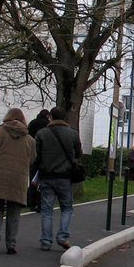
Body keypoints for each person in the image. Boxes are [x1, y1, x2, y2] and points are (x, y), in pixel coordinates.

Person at [0, 108, 35, 254]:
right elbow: (32, 160)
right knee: (14, 210)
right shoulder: (29, 140)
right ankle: (11, 243)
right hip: (18, 177)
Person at [36, 106, 82, 251]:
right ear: (65, 117)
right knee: (67, 208)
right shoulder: (73, 134)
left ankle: (46, 241)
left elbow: (37, 155)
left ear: (50, 117)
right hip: (65, 177)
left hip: (46, 176)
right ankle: (62, 236)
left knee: (47, 210)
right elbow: (78, 153)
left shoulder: (42, 133)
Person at [25, 108, 51, 211]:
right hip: (44, 156)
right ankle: (40, 202)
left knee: (33, 180)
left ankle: (30, 201)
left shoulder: (32, 123)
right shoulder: (48, 125)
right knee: (42, 180)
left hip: (33, 154)